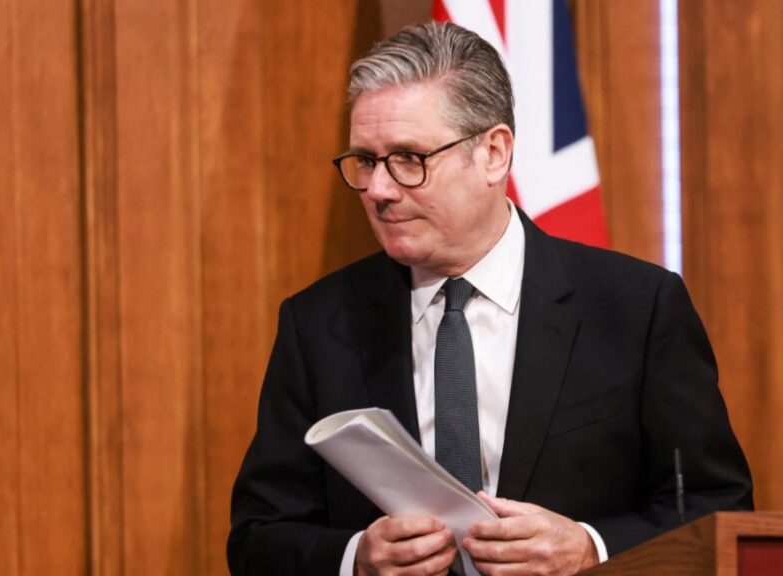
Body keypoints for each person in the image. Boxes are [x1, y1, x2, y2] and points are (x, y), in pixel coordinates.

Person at [227, 21, 752, 576]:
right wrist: (357, 558)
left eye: (409, 158)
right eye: (366, 160)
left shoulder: (636, 308)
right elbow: (259, 537)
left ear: (494, 153)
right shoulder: (318, 324)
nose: (379, 189)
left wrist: (590, 548)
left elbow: (719, 508)